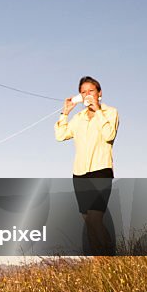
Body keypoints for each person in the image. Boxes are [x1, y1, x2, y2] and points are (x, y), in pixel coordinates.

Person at [55, 76, 119, 255]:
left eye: (90, 91)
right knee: (87, 220)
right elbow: (60, 135)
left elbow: (109, 135)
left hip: (101, 170)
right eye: (83, 92)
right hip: (80, 173)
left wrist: (97, 110)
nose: (87, 95)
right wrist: (65, 113)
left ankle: (109, 260)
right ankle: (100, 263)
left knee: (95, 217)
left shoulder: (110, 112)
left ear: (99, 93)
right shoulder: (78, 118)